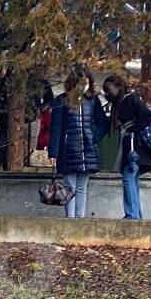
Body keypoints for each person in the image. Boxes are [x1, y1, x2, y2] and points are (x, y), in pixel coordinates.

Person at [49, 65, 106, 219]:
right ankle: (71, 218)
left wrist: (94, 137)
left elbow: (103, 123)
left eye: (87, 83)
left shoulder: (93, 100)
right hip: (68, 149)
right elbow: (55, 127)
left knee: (82, 186)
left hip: (87, 149)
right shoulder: (61, 100)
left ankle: (79, 219)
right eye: (82, 82)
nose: (84, 86)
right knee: (70, 186)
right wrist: (53, 152)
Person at [102, 75, 151, 219]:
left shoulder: (130, 99)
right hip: (130, 144)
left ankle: (132, 215)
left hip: (136, 145)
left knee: (128, 177)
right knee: (132, 179)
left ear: (118, 87)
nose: (107, 94)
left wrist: (132, 129)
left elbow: (148, 117)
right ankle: (135, 215)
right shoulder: (118, 103)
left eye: (109, 90)